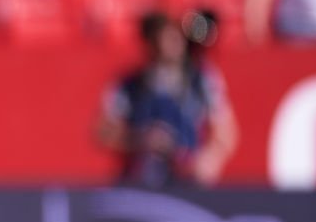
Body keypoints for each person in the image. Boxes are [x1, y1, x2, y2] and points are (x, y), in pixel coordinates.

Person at [97, 10, 238, 189]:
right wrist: (140, 140)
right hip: (141, 181)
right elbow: (102, 132)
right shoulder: (131, 84)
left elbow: (226, 134)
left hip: (188, 180)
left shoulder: (202, 81)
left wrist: (208, 160)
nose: (170, 45)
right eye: (162, 38)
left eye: (175, 38)